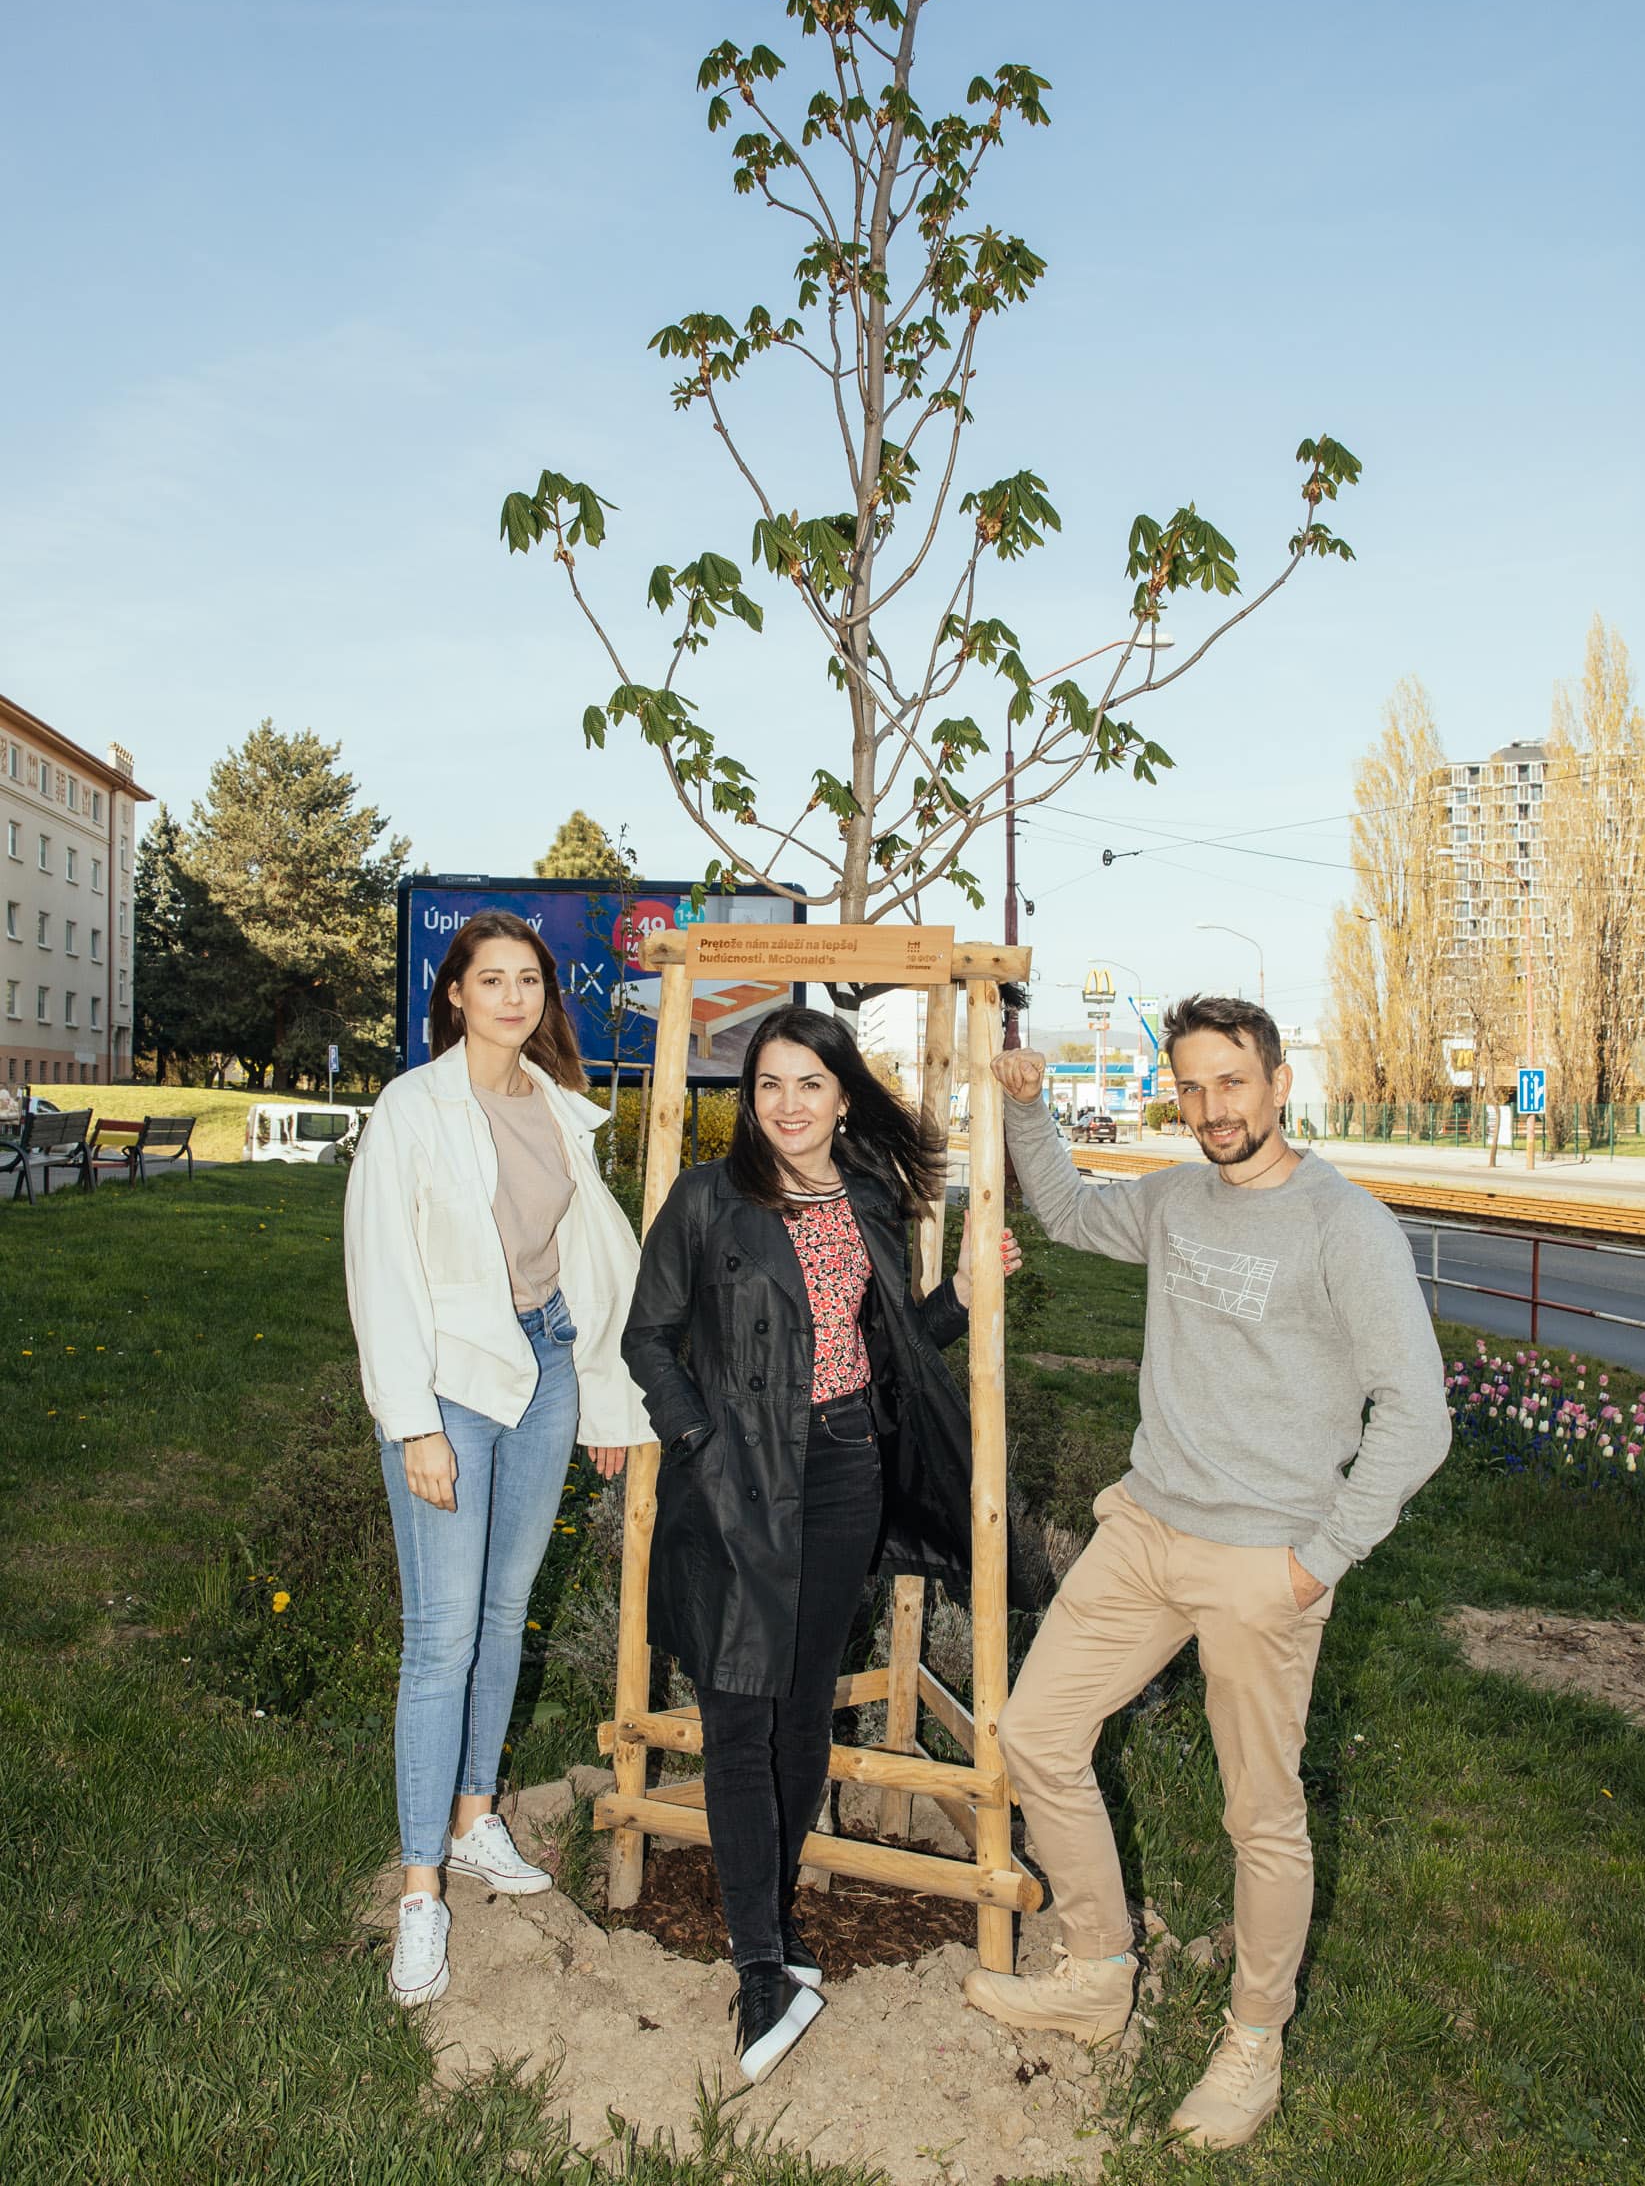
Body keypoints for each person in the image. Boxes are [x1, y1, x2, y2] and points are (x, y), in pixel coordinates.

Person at [964, 995, 1450, 2151]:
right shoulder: (1176, 1199)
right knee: (1035, 1734)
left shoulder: (1345, 1227)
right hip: (1143, 1528)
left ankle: (1251, 2040)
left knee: (1258, 1815)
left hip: (1261, 1560)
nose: (1208, 1109)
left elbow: (1416, 1417)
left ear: (1277, 1083)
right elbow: (1074, 1213)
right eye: (1187, 1087)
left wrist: (1314, 1561)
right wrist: (1029, 1112)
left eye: (1229, 1083)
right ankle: (1097, 1965)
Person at [622, 1003, 1023, 2086]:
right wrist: (699, 1438)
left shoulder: (870, 1202)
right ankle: (759, 1961)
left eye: (808, 1083)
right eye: (767, 1085)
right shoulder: (708, 1199)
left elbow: (882, 1349)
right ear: (745, 1099)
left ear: (843, 1094)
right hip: (737, 1481)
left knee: (800, 1710)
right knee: (737, 1712)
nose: (787, 1104)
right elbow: (645, 1335)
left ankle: (776, 1919)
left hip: (844, 1473)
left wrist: (959, 1296)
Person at [344, 910, 654, 2011]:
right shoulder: (413, 1109)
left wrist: (608, 1403)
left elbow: (591, 1264)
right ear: (455, 996)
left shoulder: (558, 1111)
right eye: (492, 980)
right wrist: (412, 1421)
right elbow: (380, 1271)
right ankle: (421, 1889)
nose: (513, 996)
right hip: (450, 1386)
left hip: (546, 1369)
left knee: (503, 1611)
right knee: (438, 1637)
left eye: (529, 980)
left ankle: (475, 1819)